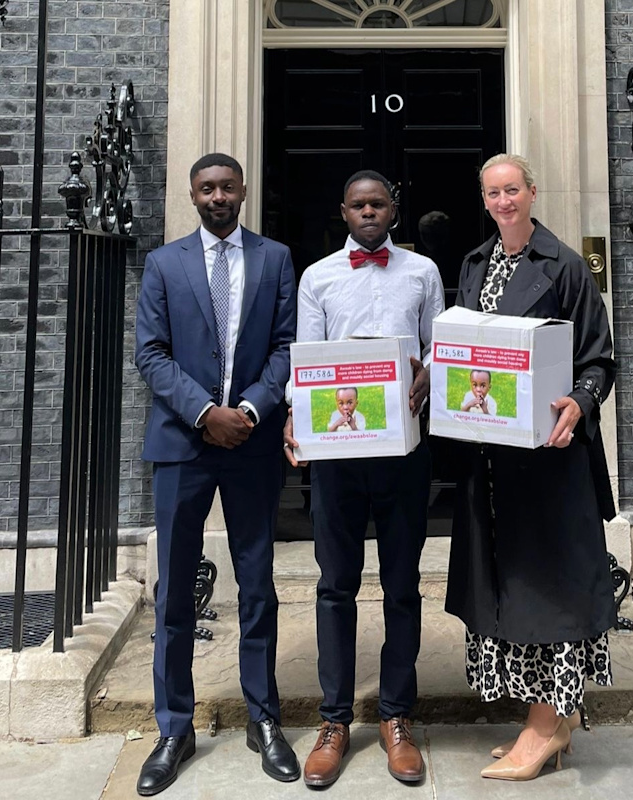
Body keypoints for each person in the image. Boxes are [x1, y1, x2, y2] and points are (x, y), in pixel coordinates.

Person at [445, 153, 617, 781]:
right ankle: (547, 719)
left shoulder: (566, 265)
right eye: (492, 193)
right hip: (489, 458)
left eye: (512, 190)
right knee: (509, 585)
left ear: (532, 192)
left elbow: (599, 360)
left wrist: (581, 398)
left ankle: (546, 727)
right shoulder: (472, 264)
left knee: (552, 588)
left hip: (548, 459)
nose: (502, 202)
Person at [135, 153, 300, 795]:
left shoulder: (276, 258)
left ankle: (264, 718)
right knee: (175, 592)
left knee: (258, 584)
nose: (218, 196)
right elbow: (150, 352)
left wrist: (252, 409)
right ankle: (174, 726)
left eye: (227, 186)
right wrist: (206, 413)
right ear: (193, 195)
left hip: (252, 445)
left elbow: (288, 345)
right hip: (183, 445)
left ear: (242, 191)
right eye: (207, 188)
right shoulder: (163, 263)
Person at [284, 170, 445, 787]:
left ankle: (397, 716)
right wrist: (294, 419)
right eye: (358, 204)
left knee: (403, 584)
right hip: (337, 456)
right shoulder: (318, 276)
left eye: (378, 203)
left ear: (394, 211)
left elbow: (438, 349)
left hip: (404, 451)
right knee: (335, 585)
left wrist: (430, 372)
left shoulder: (422, 272)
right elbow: (306, 357)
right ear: (343, 211)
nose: (369, 211)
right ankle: (334, 720)